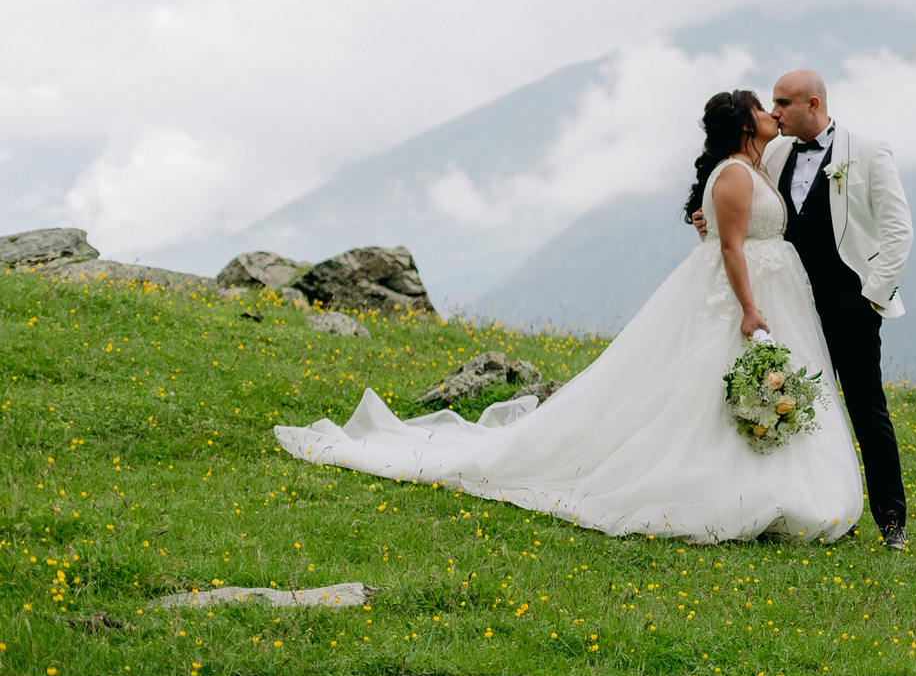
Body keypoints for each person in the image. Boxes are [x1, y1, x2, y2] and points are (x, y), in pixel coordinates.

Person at [273, 90, 863, 544]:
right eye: (765, 107)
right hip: (742, 296)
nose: (774, 115)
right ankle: (722, 488)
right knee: (711, 390)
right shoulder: (735, 173)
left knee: (749, 386)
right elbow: (731, 246)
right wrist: (751, 309)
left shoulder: (760, 163)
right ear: (744, 122)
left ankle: (777, 485)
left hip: (775, 290)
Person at [760, 67, 912, 550]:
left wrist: (873, 297)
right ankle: (793, 507)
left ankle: (893, 521)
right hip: (789, 301)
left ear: (813, 104)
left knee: (866, 407)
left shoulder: (867, 151)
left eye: (783, 103)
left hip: (851, 304)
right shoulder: (776, 152)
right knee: (786, 402)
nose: (773, 113)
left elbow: (898, 230)